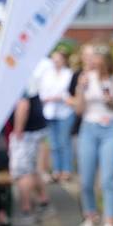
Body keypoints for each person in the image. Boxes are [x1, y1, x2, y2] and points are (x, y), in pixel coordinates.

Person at [70, 44, 113, 226]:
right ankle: (89, 218)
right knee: (86, 180)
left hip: (111, 130)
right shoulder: (85, 80)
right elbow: (79, 110)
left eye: (95, 59)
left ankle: (110, 223)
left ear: (106, 62)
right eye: (90, 59)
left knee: (107, 180)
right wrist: (81, 88)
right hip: (89, 129)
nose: (92, 63)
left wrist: (111, 102)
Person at [10, 89, 50, 224]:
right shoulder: (26, 76)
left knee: (23, 172)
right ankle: (44, 201)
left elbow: (23, 105)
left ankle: (26, 209)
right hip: (35, 129)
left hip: (26, 133)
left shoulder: (17, 81)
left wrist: (17, 131)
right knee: (33, 170)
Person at [37, 49, 75, 182]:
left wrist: (59, 97)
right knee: (53, 143)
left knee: (64, 141)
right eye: (54, 59)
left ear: (64, 60)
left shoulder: (69, 74)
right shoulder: (47, 74)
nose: (55, 62)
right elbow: (42, 91)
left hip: (65, 111)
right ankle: (56, 170)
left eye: (58, 59)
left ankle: (67, 169)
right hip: (50, 111)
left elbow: (69, 92)